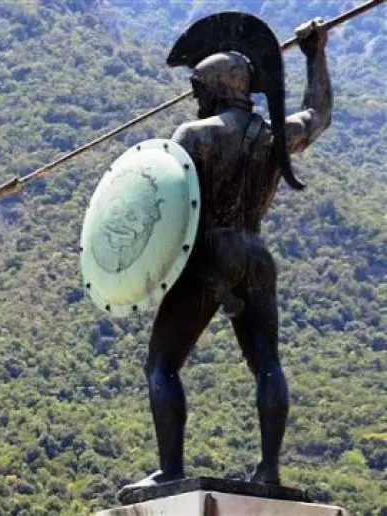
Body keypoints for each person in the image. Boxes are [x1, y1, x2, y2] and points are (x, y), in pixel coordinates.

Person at [123, 17, 332, 492]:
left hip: (211, 251)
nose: (195, 98)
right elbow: (318, 115)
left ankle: (171, 470)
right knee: (267, 364)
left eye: (198, 89)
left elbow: (176, 213)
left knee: (161, 365)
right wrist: (316, 55)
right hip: (256, 254)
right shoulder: (275, 133)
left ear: (213, 88)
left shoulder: (194, 135)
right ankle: (269, 469)